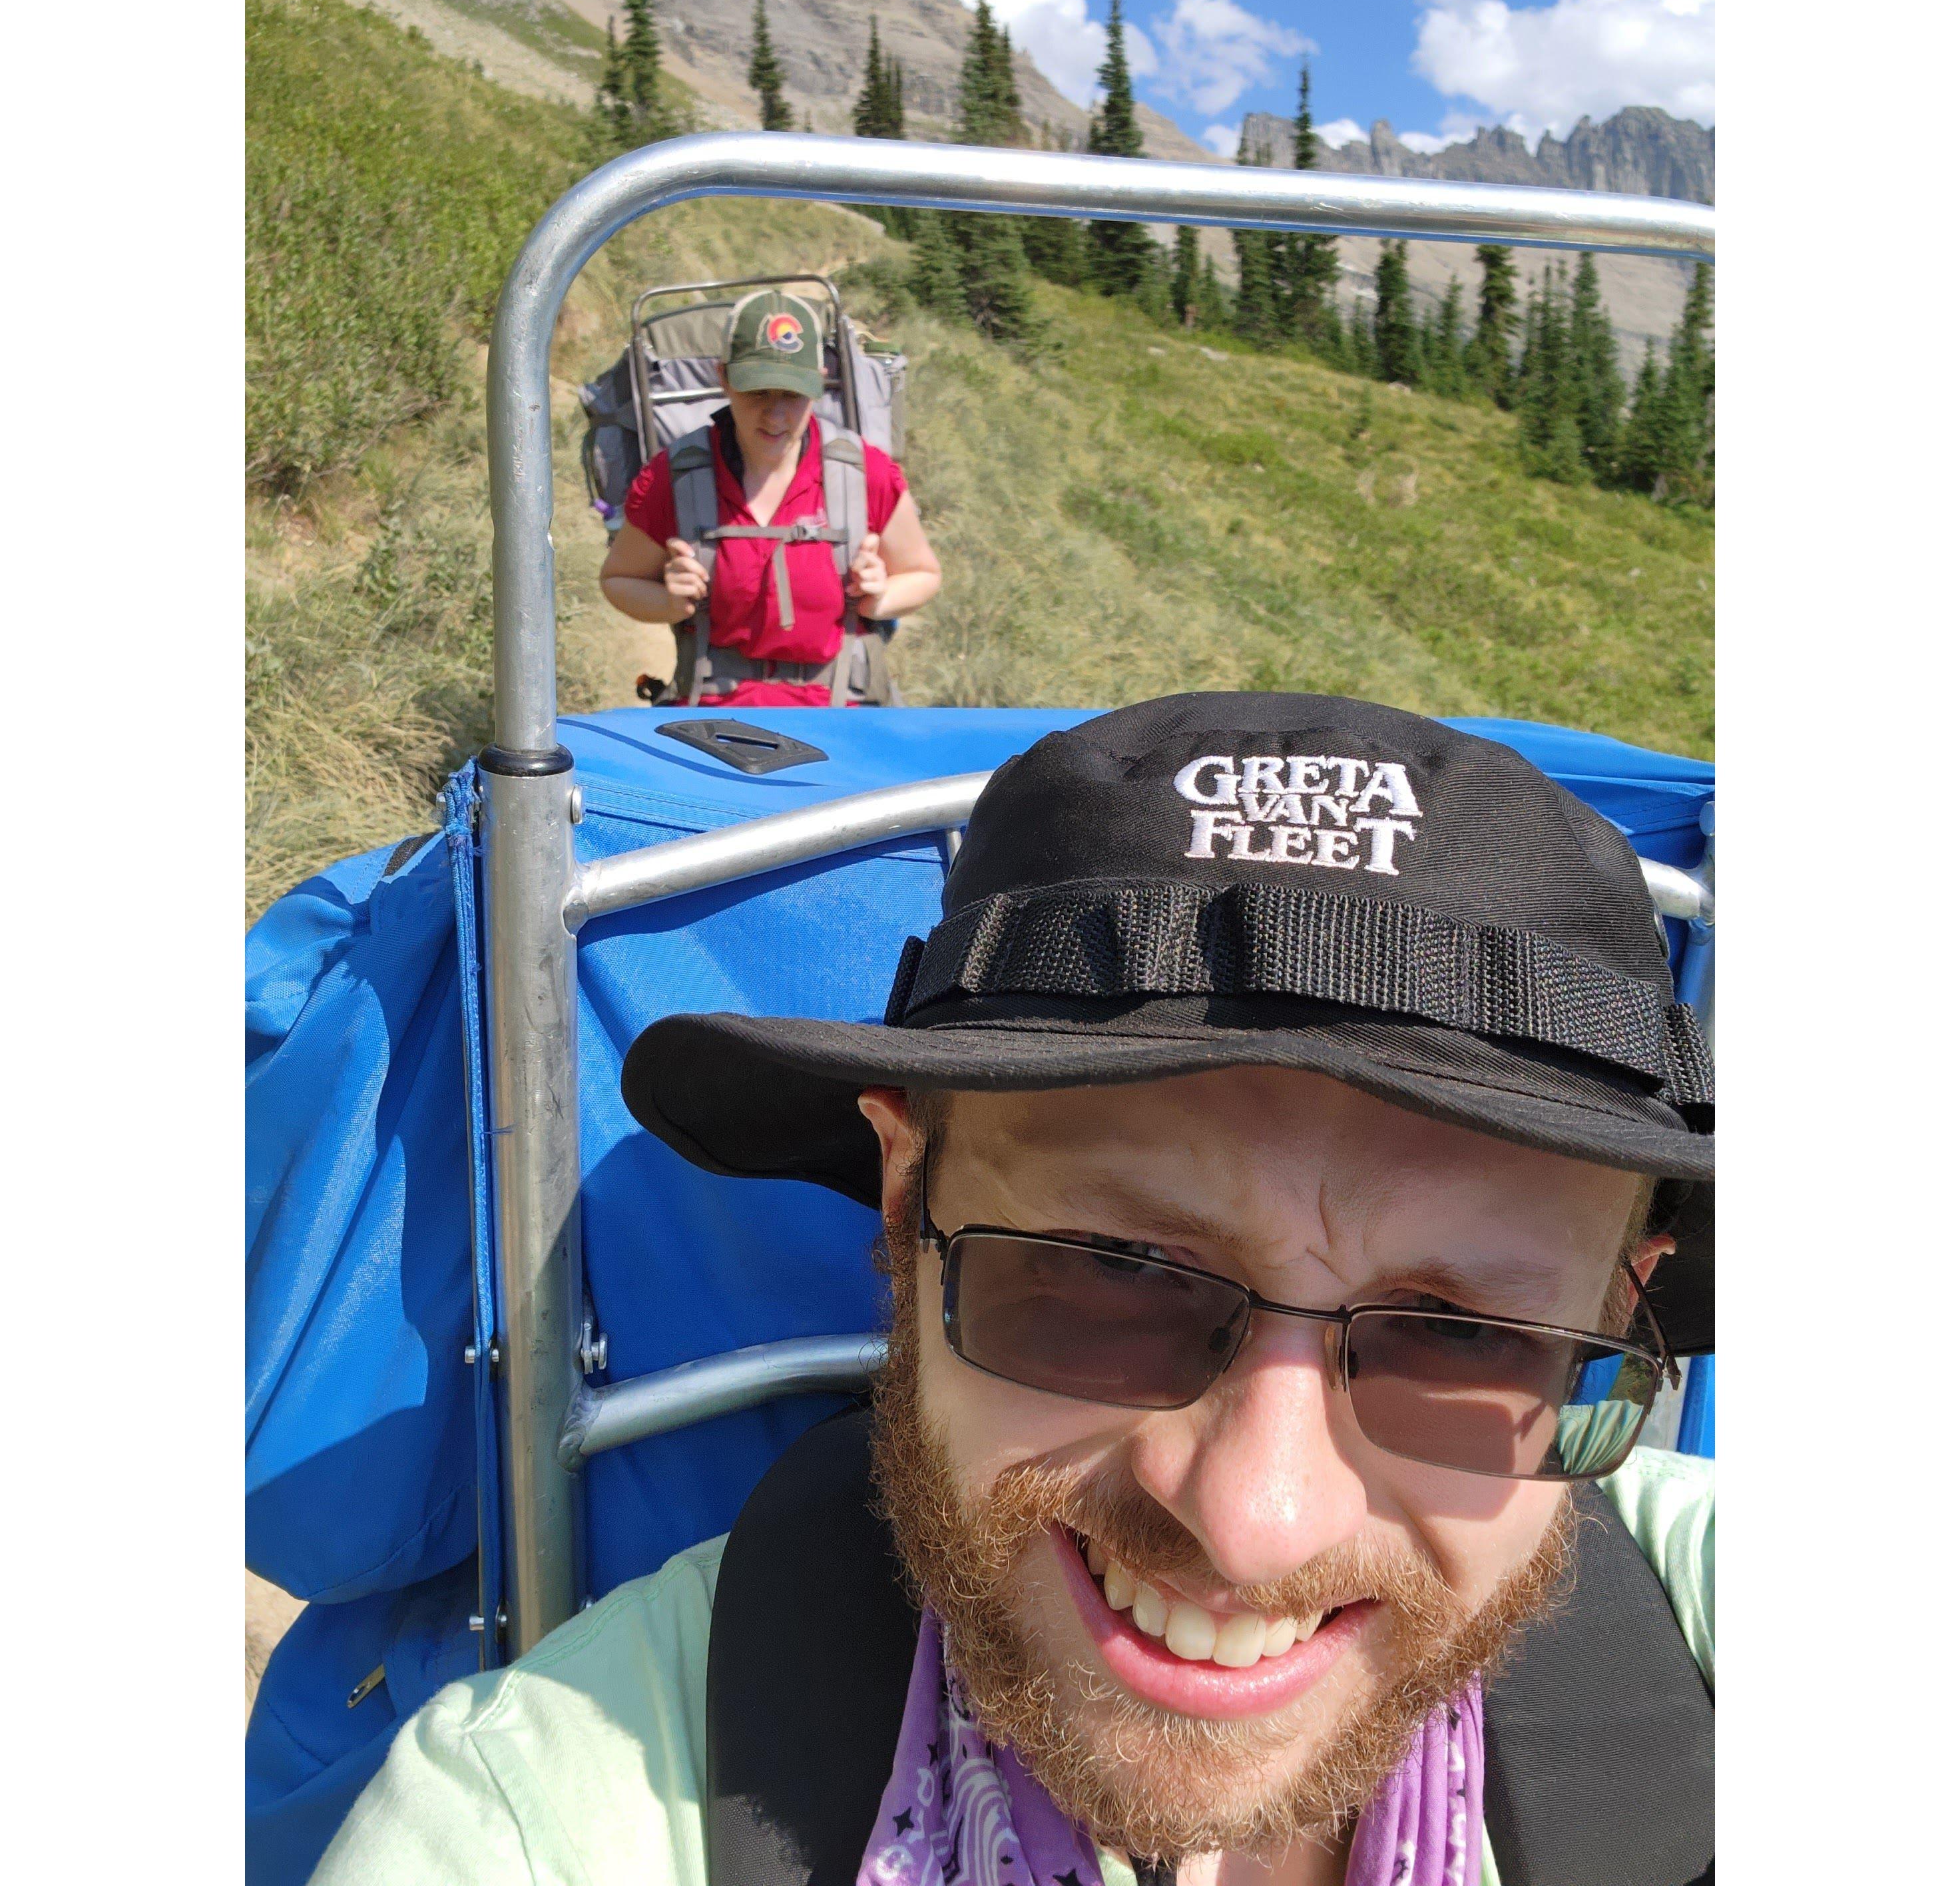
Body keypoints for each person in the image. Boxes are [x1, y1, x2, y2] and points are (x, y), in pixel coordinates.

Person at [312, 693, 1714, 1886]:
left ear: (1615, 1314)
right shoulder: (530, 1821)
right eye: (1115, 1269)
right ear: (904, 1196)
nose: (1251, 1523)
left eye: (1465, 1331)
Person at [599, 287, 940, 706]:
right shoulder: (676, 476)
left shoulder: (863, 473)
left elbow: (923, 574)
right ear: (724, 378)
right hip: (711, 718)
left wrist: (879, 596)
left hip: (841, 713)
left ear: (819, 383)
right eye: (757, 391)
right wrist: (669, 602)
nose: (775, 415)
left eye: (792, 394)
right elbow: (619, 580)